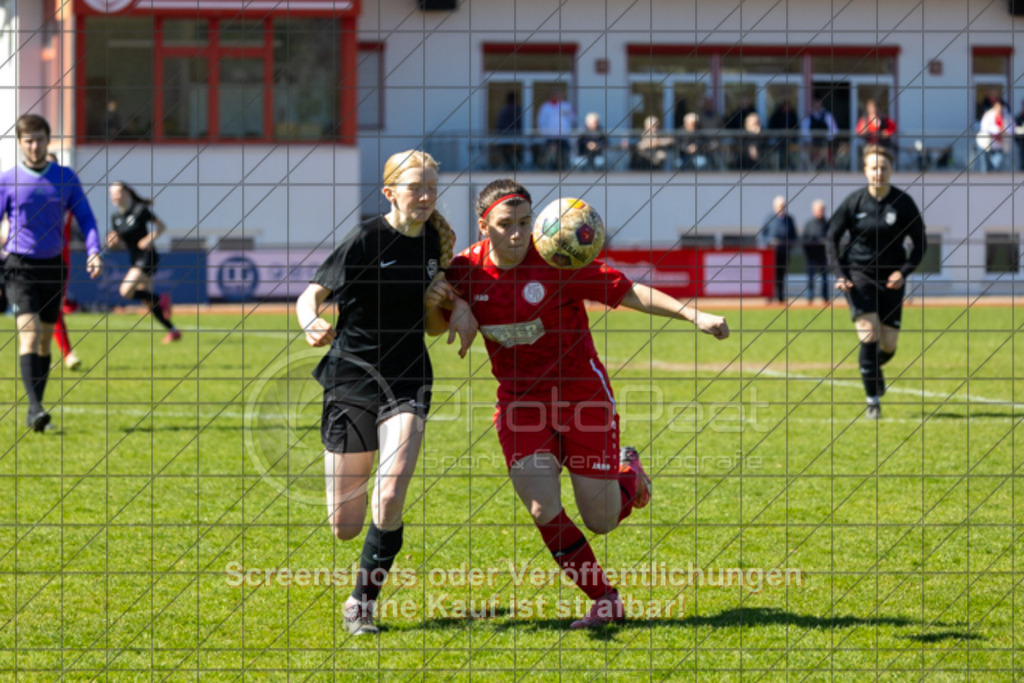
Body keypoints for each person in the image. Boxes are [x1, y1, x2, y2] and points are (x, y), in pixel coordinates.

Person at [446, 180, 729, 628]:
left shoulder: (559, 258)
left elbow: (629, 291)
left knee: (600, 520)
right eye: (506, 225)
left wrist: (694, 315)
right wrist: (455, 300)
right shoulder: (464, 270)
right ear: (484, 226)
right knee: (542, 507)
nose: (518, 234)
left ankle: (628, 475)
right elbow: (428, 301)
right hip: (520, 403)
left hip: (582, 397)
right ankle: (604, 598)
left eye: (524, 222)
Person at [296, 150, 475, 636]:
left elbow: (433, 315)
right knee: (345, 525)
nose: (424, 196)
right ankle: (361, 569)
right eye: (415, 187)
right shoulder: (367, 239)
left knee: (391, 491)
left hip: (407, 375)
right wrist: (311, 320)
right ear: (389, 191)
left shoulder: (436, 242)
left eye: (431, 188)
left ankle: (362, 602)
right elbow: (310, 293)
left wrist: (454, 306)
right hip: (351, 378)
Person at [0, 114, 103, 432]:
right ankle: (35, 408)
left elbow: (86, 218)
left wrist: (93, 250)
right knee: (29, 336)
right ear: (19, 143)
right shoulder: (7, 180)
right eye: (28, 140)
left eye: (39, 139)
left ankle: (37, 411)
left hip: (53, 266)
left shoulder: (65, 177)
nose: (34, 145)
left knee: (45, 342)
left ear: (48, 140)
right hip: (19, 266)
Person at [827, 144, 926, 420]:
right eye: (873, 167)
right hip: (859, 276)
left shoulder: (903, 204)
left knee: (889, 345)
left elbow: (921, 243)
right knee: (869, 336)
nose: (879, 172)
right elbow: (831, 238)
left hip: (892, 278)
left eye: (884, 168)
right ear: (865, 170)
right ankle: (873, 401)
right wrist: (840, 275)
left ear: (891, 170)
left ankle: (873, 369)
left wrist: (903, 272)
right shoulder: (854, 202)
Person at [107, 182, 181, 343]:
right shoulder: (116, 218)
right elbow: (119, 243)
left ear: (126, 192)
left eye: (117, 192)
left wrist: (149, 238)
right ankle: (173, 330)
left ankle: (161, 298)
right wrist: (113, 243)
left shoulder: (140, 210)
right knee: (148, 303)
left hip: (148, 257)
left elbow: (161, 227)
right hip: (134, 259)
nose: (114, 197)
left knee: (125, 290)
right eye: (112, 194)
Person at [43, 153, 83, 370]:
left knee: (53, 307)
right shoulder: (27, 192)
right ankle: (58, 354)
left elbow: (84, 216)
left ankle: (60, 354)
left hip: (59, 258)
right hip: (28, 259)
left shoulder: (66, 196)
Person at [758, 196, 798, 302]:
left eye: (782, 206)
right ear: (774, 207)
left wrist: (789, 244)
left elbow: (794, 236)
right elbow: (762, 235)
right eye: (779, 206)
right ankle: (769, 296)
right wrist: (770, 242)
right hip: (772, 253)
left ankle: (780, 297)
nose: (781, 208)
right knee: (771, 275)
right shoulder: (769, 218)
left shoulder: (789, 219)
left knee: (781, 274)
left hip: (784, 252)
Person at [535, 88, 575, 171]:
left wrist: (568, 114)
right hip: (550, 135)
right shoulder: (545, 106)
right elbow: (541, 121)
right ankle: (549, 166)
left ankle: (564, 166)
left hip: (563, 135)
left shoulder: (566, 106)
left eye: (557, 95)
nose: (555, 96)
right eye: (553, 95)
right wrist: (544, 132)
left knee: (563, 152)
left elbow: (573, 119)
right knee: (550, 152)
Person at [801, 199, 830, 303]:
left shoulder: (827, 224)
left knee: (825, 278)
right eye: (818, 209)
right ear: (814, 211)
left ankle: (825, 298)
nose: (820, 211)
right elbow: (804, 240)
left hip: (823, 256)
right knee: (810, 278)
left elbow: (831, 238)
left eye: (822, 209)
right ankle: (810, 298)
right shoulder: (809, 224)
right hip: (811, 256)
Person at [801, 98, 838, 170]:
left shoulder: (827, 115)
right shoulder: (809, 117)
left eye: (818, 104)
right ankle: (812, 166)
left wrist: (826, 137)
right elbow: (804, 131)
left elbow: (834, 130)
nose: (817, 106)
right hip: (812, 142)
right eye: (815, 105)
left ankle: (825, 166)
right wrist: (810, 139)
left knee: (825, 150)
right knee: (804, 149)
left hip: (824, 142)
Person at [976, 99, 1012, 172]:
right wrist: (999, 130)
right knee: (985, 167)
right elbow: (985, 128)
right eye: (997, 107)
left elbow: (1011, 128)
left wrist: (1004, 131)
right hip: (985, 145)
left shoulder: (1006, 117)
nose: (999, 109)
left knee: (996, 164)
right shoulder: (988, 115)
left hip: (999, 146)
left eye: (1001, 107)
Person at [493, 91, 523, 170]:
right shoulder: (517, 110)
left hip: (508, 138)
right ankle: (514, 165)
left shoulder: (505, 110)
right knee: (512, 152)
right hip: (513, 138)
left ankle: (511, 165)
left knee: (509, 152)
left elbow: (499, 125)